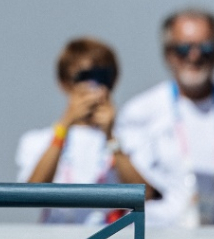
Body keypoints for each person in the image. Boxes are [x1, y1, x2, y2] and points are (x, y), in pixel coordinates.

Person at [115, 9, 214, 227]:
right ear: (168, 53)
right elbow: (139, 190)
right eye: (183, 48)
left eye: (206, 47)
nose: (194, 56)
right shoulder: (139, 111)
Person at [16, 37, 149, 224]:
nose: (94, 86)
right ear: (64, 82)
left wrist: (111, 137)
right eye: (84, 77)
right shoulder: (37, 140)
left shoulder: (134, 137)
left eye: (103, 77)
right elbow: (29, 196)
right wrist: (64, 126)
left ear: (114, 80)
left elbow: (147, 196)